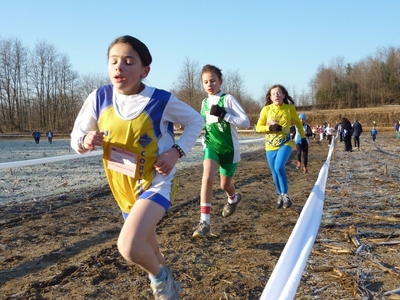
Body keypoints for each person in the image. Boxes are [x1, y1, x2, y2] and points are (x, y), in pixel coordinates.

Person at [70, 35, 204, 299]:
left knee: (129, 246)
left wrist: (176, 152)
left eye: (128, 62)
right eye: (114, 61)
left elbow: (196, 122)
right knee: (151, 251)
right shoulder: (99, 97)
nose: (119, 67)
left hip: (157, 184)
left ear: (145, 71)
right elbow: (76, 139)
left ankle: (162, 281)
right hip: (122, 188)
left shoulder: (161, 100)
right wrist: (86, 140)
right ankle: (171, 285)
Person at [192, 64, 250, 238]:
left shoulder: (228, 99)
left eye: (213, 81)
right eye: (205, 82)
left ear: (220, 81)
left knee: (224, 185)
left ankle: (233, 198)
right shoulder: (204, 102)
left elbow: (245, 123)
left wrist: (225, 115)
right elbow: (202, 123)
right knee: (207, 178)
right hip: (211, 146)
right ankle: (205, 222)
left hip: (229, 150)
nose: (209, 85)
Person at [256, 84, 307, 209]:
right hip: (270, 146)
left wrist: (303, 137)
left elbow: (298, 125)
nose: (276, 96)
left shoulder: (289, 109)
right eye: (274, 94)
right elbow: (257, 128)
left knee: (279, 167)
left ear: (284, 95)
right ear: (270, 97)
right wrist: (270, 127)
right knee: (274, 172)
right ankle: (279, 195)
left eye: (279, 93)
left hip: (285, 143)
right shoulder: (266, 110)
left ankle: (285, 194)